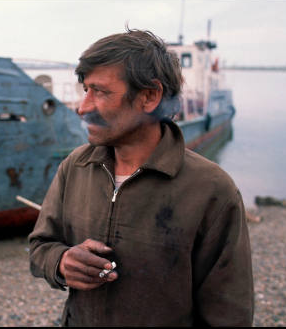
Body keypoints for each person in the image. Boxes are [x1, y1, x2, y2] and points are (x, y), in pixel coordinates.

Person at [28, 27, 254, 326]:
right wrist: (61, 262)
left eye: (101, 92)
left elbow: (229, 313)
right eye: (86, 90)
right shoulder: (76, 167)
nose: (82, 108)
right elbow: (40, 246)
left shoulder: (212, 190)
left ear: (149, 96)